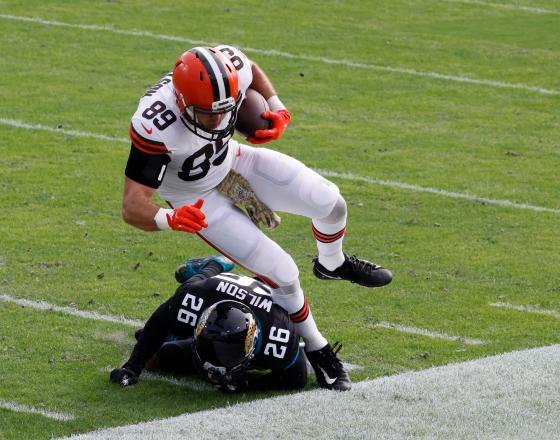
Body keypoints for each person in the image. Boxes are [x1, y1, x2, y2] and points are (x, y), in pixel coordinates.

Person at [122, 45, 392, 391]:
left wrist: (277, 107)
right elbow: (132, 206)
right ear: (182, 101)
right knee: (282, 273)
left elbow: (249, 65)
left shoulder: (229, 69)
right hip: (194, 196)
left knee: (330, 202)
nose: (218, 119)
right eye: (207, 113)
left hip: (231, 161)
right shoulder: (156, 124)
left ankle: (333, 264)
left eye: (225, 109)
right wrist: (169, 219)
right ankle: (318, 347)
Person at [110, 256, 348, 392]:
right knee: (156, 351)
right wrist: (132, 367)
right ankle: (214, 265)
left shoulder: (280, 335)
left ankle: (181, 335)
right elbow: (158, 321)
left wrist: (246, 384)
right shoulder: (193, 299)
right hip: (213, 288)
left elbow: (295, 379)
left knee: (166, 351)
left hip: (263, 299)